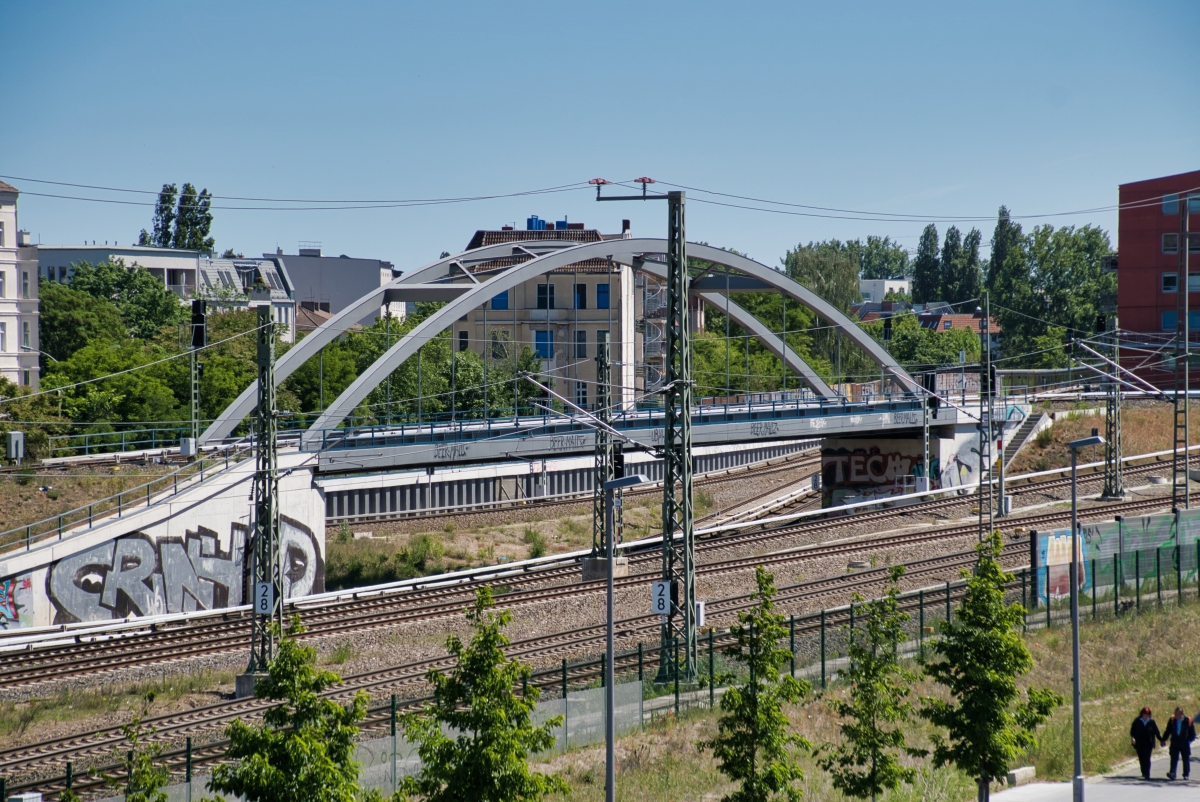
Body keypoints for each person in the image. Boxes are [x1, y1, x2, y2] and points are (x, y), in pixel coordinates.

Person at [1160, 706, 1196, 780]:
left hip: (1185, 744)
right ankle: (1172, 773)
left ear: (1181, 714)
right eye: (1175, 713)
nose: (1175, 715)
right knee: (1173, 758)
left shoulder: (1188, 720)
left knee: (1185, 759)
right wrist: (1163, 740)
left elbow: (1193, 734)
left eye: (1177, 714)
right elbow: (1168, 731)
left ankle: (1186, 774)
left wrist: (1188, 742)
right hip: (1174, 743)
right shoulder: (1172, 720)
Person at [1131, 706, 1163, 780]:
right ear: (1142, 713)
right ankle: (1143, 771)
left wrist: (1161, 740)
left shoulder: (1151, 722)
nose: (1146, 715)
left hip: (1148, 743)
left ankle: (1147, 773)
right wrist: (1133, 737)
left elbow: (1156, 732)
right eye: (1145, 713)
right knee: (1141, 758)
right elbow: (1132, 730)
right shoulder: (1137, 721)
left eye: (1148, 713)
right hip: (1139, 743)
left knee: (1147, 758)